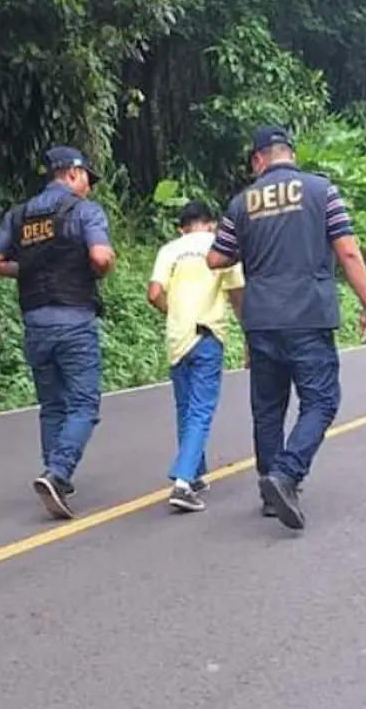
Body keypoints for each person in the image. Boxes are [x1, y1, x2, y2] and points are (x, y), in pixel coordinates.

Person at [207, 125, 366, 530]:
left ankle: (271, 493)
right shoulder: (322, 191)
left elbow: (217, 260)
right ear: (290, 154)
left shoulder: (240, 203)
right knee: (320, 401)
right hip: (308, 315)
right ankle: (286, 474)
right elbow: (349, 251)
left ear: (258, 160)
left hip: (262, 319)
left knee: (268, 409)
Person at [0, 145, 115, 520]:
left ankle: (53, 474)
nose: (88, 186)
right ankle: (57, 473)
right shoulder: (84, 210)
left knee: (53, 405)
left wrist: (22, 271)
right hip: (74, 319)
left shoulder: (19, 215)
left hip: (35, 321)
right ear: (72, 173)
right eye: (87, 177)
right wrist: (102, 270)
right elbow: (101, 257)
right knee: (84, 405)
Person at [147, 199, 245, 513]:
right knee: (201, 409)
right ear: (211, 223)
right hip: (206, 334)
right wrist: (247, 332)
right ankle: (184, 482)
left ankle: (196, 471)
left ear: (181, 227)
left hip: (177, 337)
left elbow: (153, 293)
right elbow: (236, 293)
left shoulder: (169, 250)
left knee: (186, 408)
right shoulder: (221, 248)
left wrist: (172, 312)